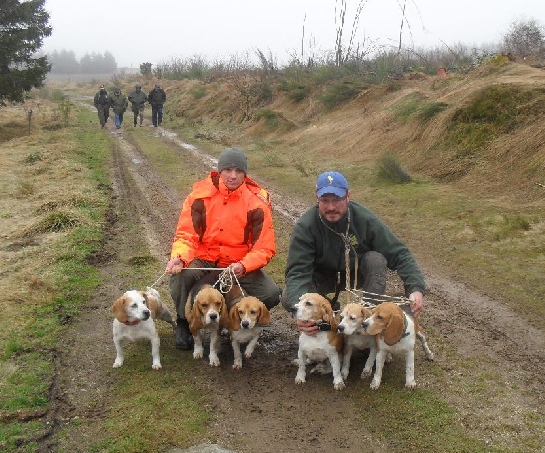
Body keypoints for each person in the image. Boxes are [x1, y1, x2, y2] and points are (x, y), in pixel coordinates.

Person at [281, 170, 426, 336]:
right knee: (288, 297)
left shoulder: (364, 219)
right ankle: (328, 316)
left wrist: (415, 288)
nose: (331, 207)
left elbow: (399, 253)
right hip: (322, 277)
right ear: (317, 198)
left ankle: (369, 319)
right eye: (325, 201)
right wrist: (299, 313)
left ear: (348, 196)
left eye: (337, 200)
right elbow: (297, 272)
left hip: (357, 273)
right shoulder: (305, 226)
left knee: (376, 259)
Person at [165, 147, 282, 349]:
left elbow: (264, 248)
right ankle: (185, 321)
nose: (233, 176)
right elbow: (187, 234)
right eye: (228, 170)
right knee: (180, 276)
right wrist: (180, 257)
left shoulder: (257, 203)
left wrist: (243, 266)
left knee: (271, 293)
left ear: (245, 174)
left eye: (239, 171)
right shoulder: (199, 197)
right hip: (204, 258)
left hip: (237, 264)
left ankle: (235, 318)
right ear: (219, 172)